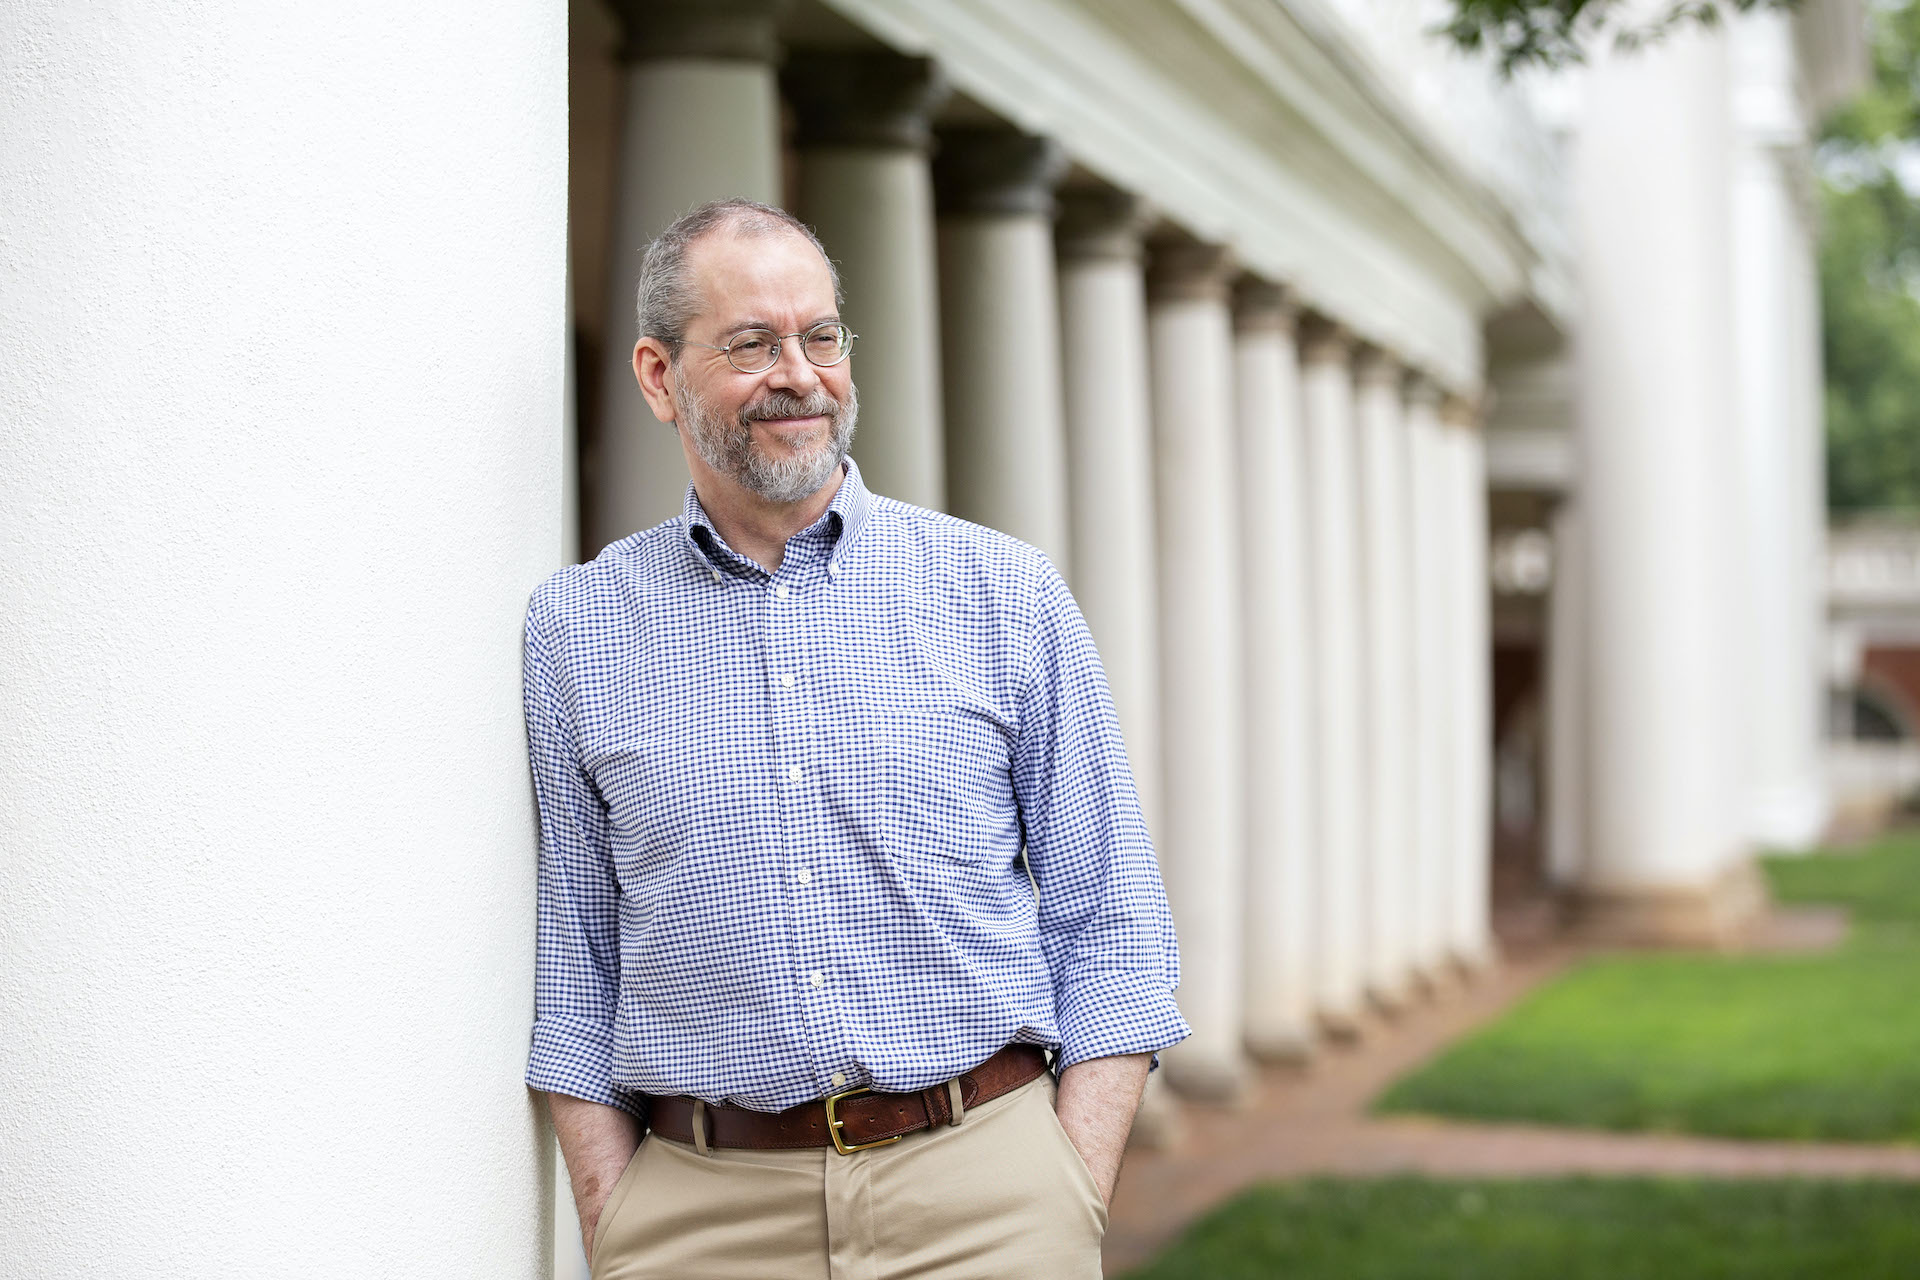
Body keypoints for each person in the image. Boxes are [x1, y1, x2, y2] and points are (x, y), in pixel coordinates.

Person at [522, 198, 1189, 1279]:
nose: (801, 375)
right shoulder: (577, 630)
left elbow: (1112, 919)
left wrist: (1065, 1190)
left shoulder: (1004, 594)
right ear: (658, 375)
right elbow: (577, 959)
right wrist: (618, 1222)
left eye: (821, 336)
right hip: (702, 1220)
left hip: (987, 1203)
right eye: (752, 344)